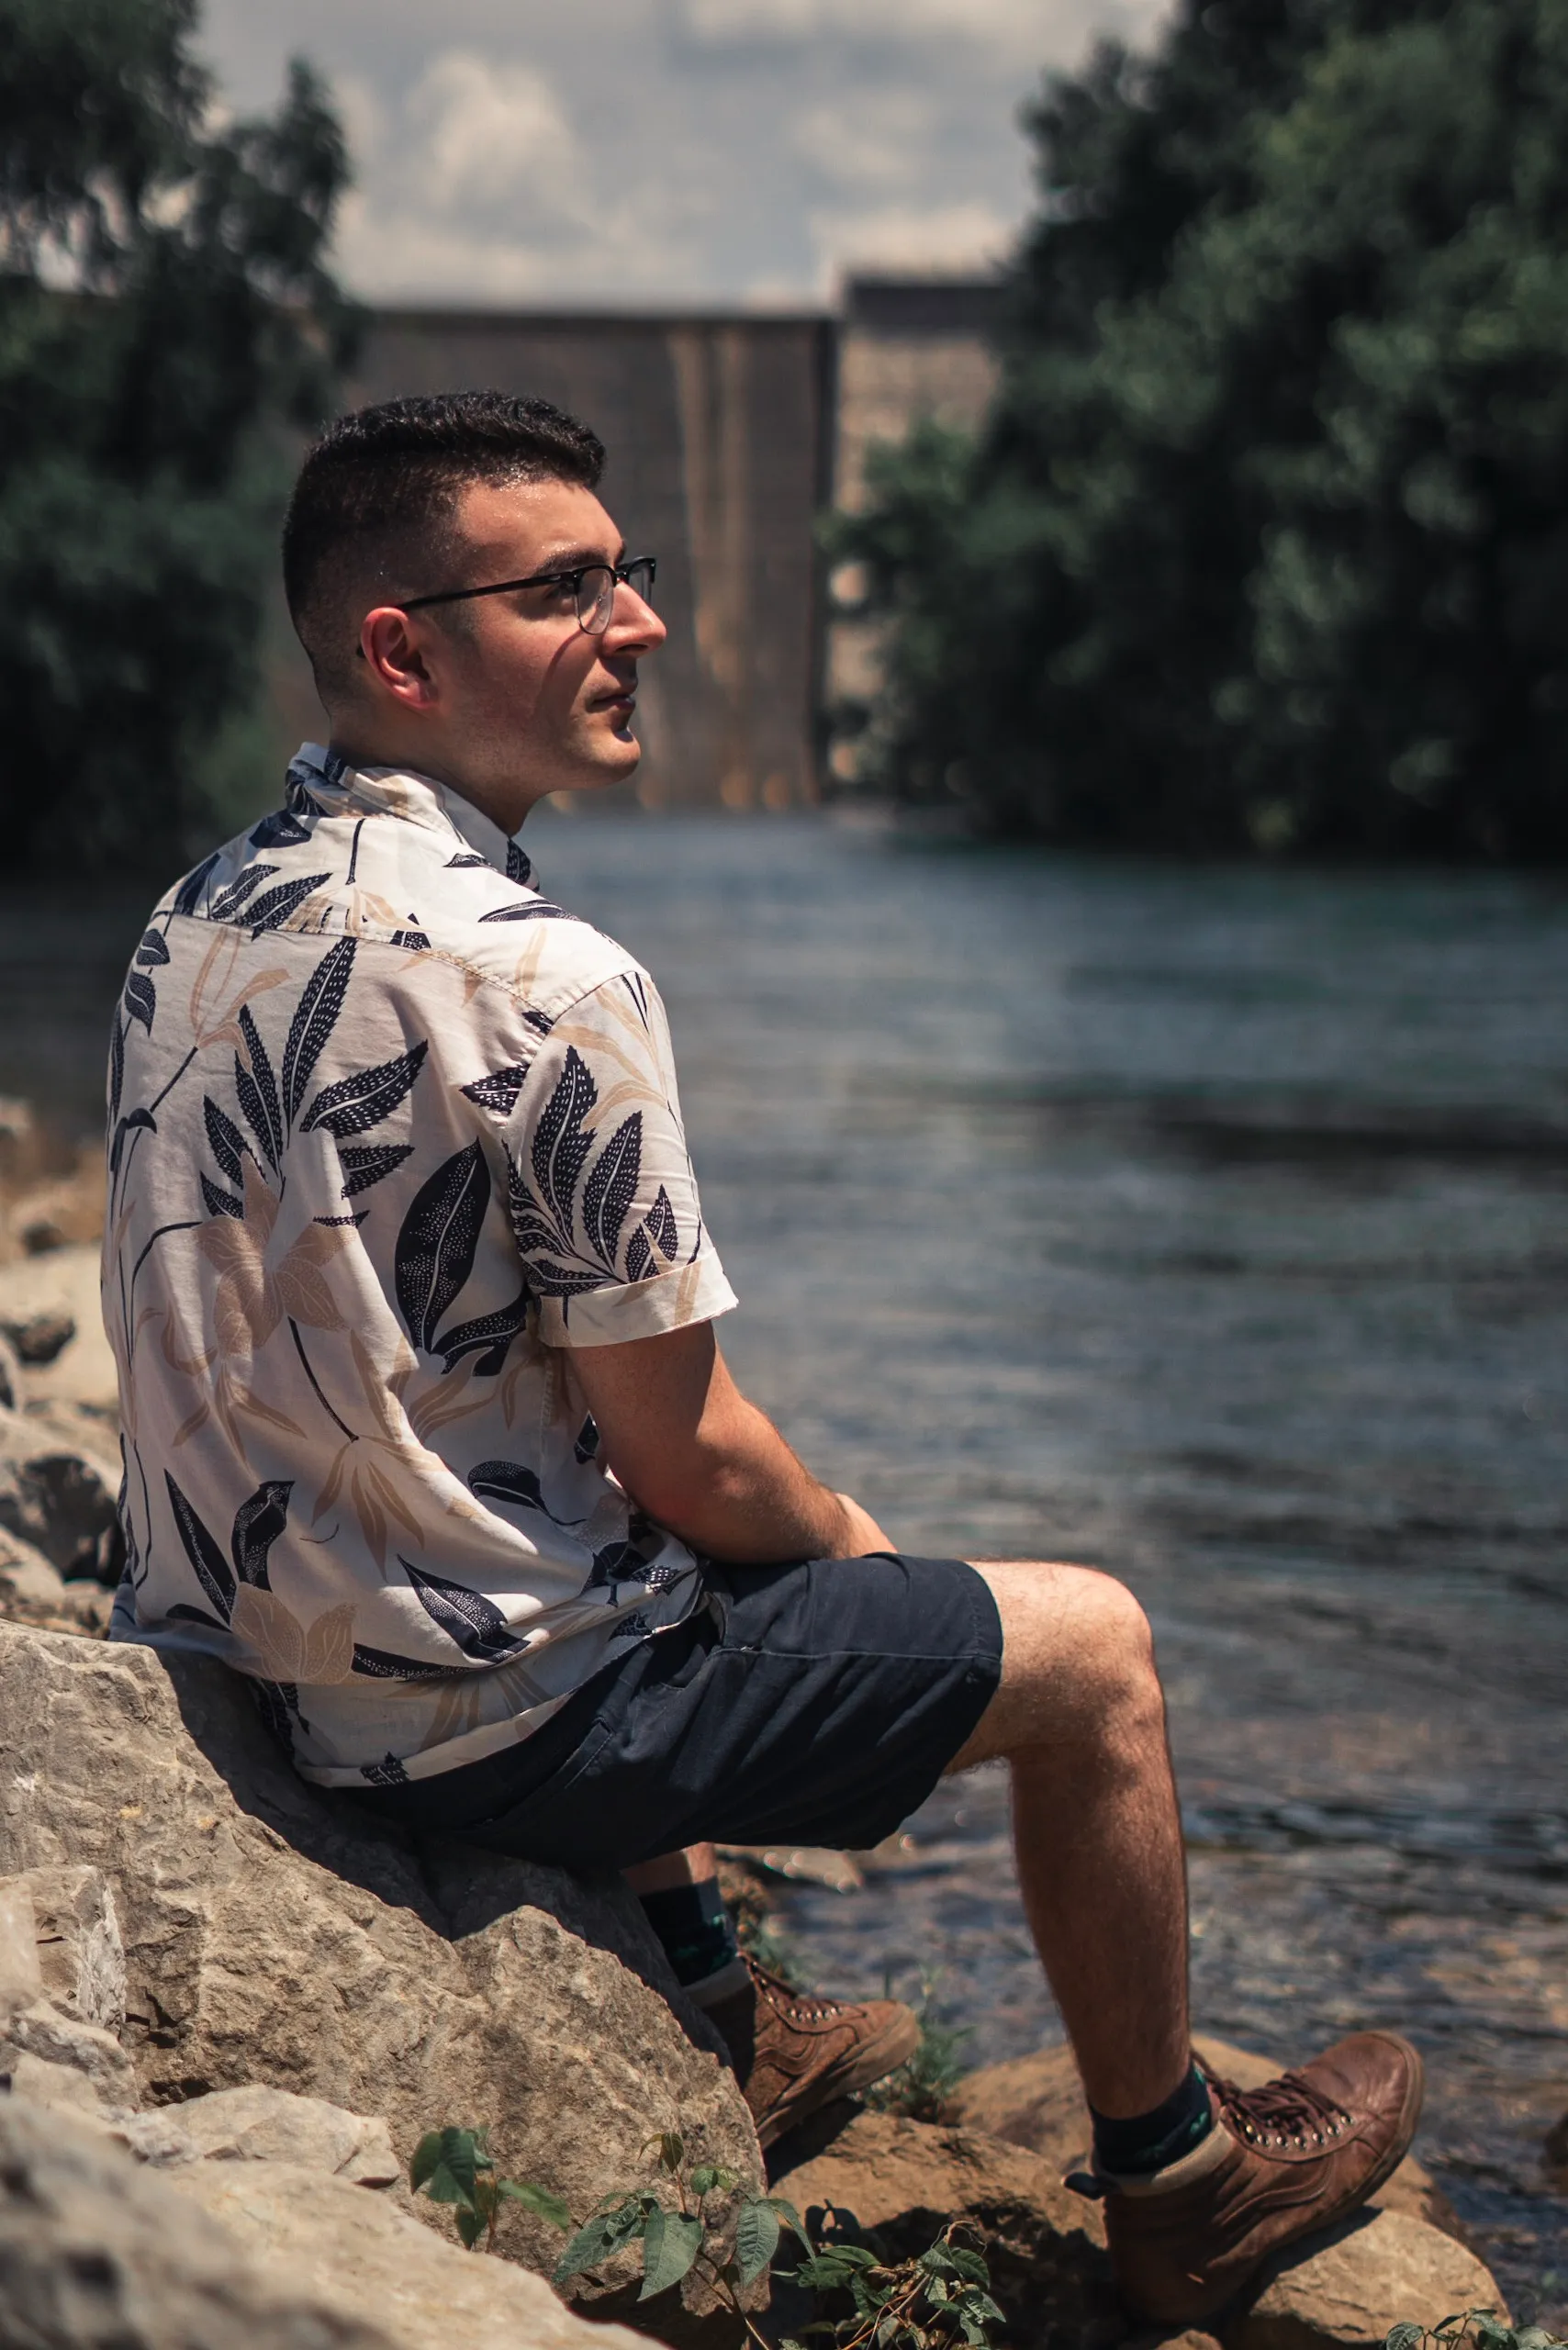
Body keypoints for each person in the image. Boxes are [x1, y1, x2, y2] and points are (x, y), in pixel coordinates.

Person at [104, 389, 1421, 2325]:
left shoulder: (192, 916)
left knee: (524, 1425)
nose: (638, 622)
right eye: (567, 589)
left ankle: (718, 1997)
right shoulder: (542, 973)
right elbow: (694, 1457)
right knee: (1094, 1653)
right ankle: (1181, 2180)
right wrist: (867, 1565)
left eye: (629, 571)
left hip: (264, 1666)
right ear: (402, 646)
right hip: (481, 1724)